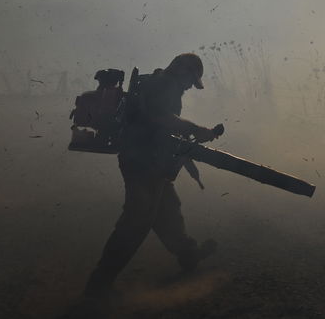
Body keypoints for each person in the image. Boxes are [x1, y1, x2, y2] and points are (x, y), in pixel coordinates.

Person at [83, 52, 222, 297]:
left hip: (151, 161)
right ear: (182, 72)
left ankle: (188, 255)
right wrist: (196, 129)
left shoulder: (157, 83)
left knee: (167, 210)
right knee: (137, 220)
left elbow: (163, 126)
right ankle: (99, 283)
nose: (190, 87)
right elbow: (160, 117)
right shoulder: (164, 85)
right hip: (142, 162)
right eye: (191, 80)